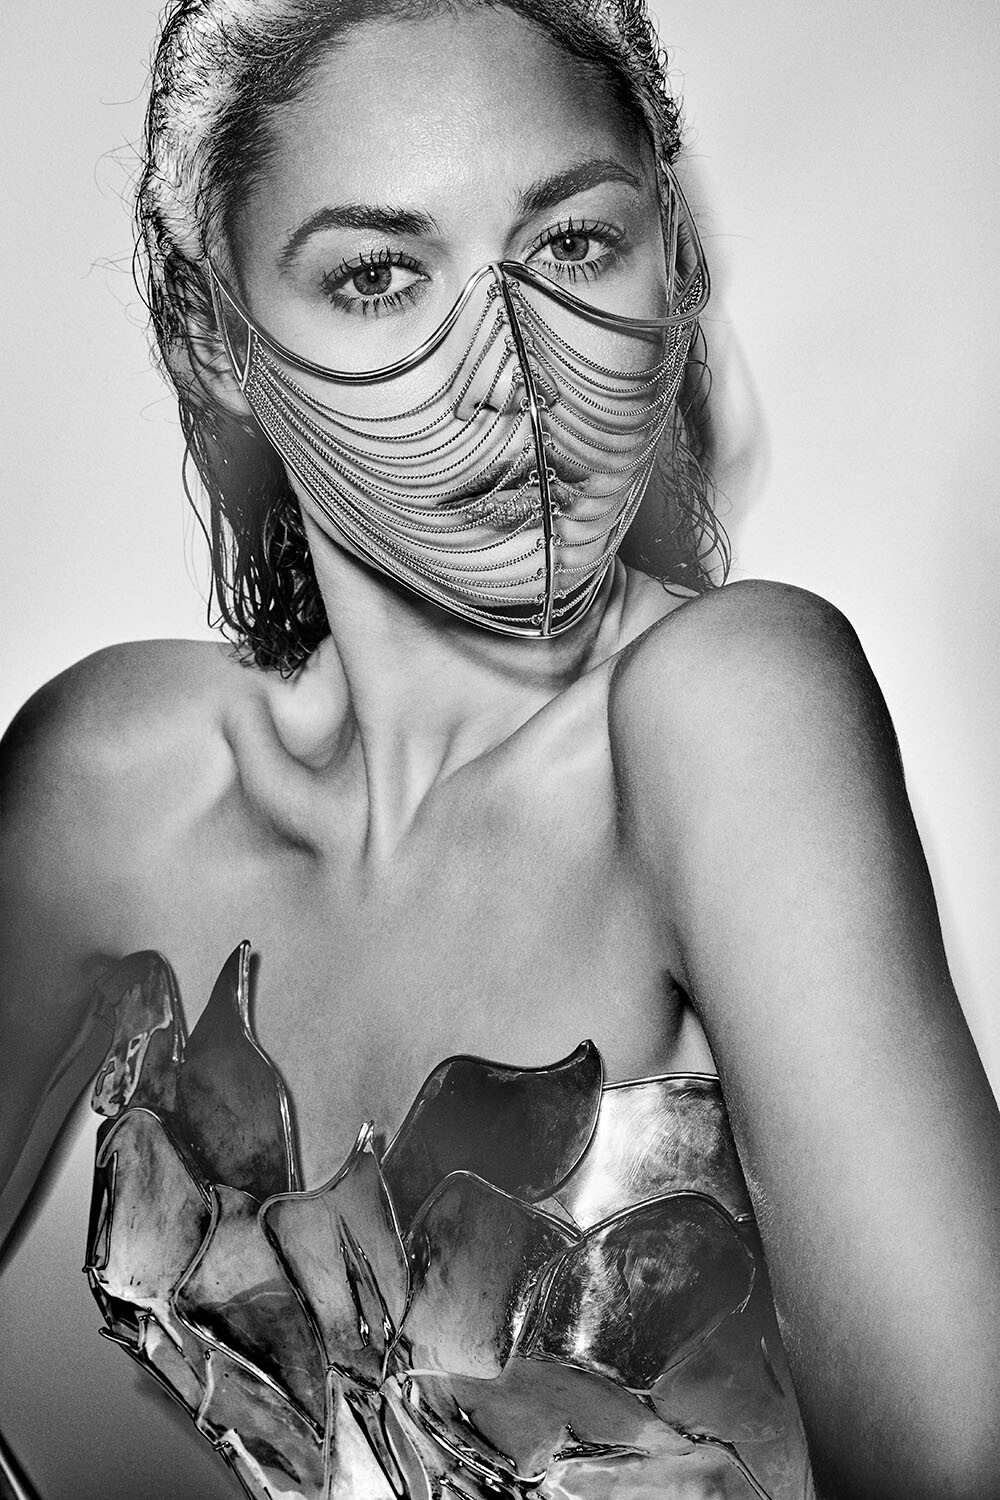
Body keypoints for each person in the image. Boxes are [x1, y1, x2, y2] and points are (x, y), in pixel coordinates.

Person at [2, 2, 999, 1498]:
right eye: (379, 276)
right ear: (213, 335)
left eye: (575, 246)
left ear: (673, 252)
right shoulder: (116, 783)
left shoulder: (728, 716)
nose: (511, 373)